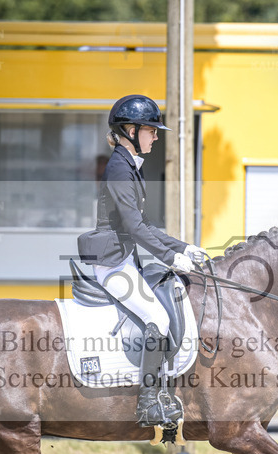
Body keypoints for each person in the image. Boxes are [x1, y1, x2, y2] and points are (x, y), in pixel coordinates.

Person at [77, 94, 206, 429]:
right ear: (131, 130)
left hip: (124, 259)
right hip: (112, 263)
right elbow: (134, 228)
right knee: (158, 319)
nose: (156, 135)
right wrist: (171, 258)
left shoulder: (130, 166)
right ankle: (147, 405)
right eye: (151, 129)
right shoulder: (120, 168)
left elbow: (144, 225)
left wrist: (185, 247)